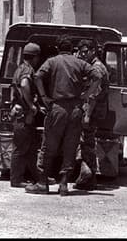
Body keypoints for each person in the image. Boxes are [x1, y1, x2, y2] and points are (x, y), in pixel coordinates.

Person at [26, 35, 88, 196]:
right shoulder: (80, 63)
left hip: (57, 108)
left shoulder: (52, 61)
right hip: (75, 109)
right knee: (70, 147)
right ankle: (64, 184)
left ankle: (42, 182)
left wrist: (44, 97)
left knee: (49, 147)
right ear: (72, 48)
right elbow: (97, 75)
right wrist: (87, 94)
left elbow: (38, 76)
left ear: (58, 48)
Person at [75, 39, 110, 190]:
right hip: (95, 110)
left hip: (93, 111)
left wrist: (87, 115)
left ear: (92, 51)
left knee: (86, 143)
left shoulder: (96, 69)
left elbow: (93, 95)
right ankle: (89, 176)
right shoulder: (97, 66)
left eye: (85, 52)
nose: (82, 55)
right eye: (81, 52)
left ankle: (87, 175)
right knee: (87, 142)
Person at [8, 42, 43, 187]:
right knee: (20, 148)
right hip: (23, 115)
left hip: (21, 114)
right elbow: (24, 85)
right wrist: (31, 105)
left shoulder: (20, 68)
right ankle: (16, 180)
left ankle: (36, 177)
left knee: (29, 148)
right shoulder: (27, 70)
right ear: (35, 57)